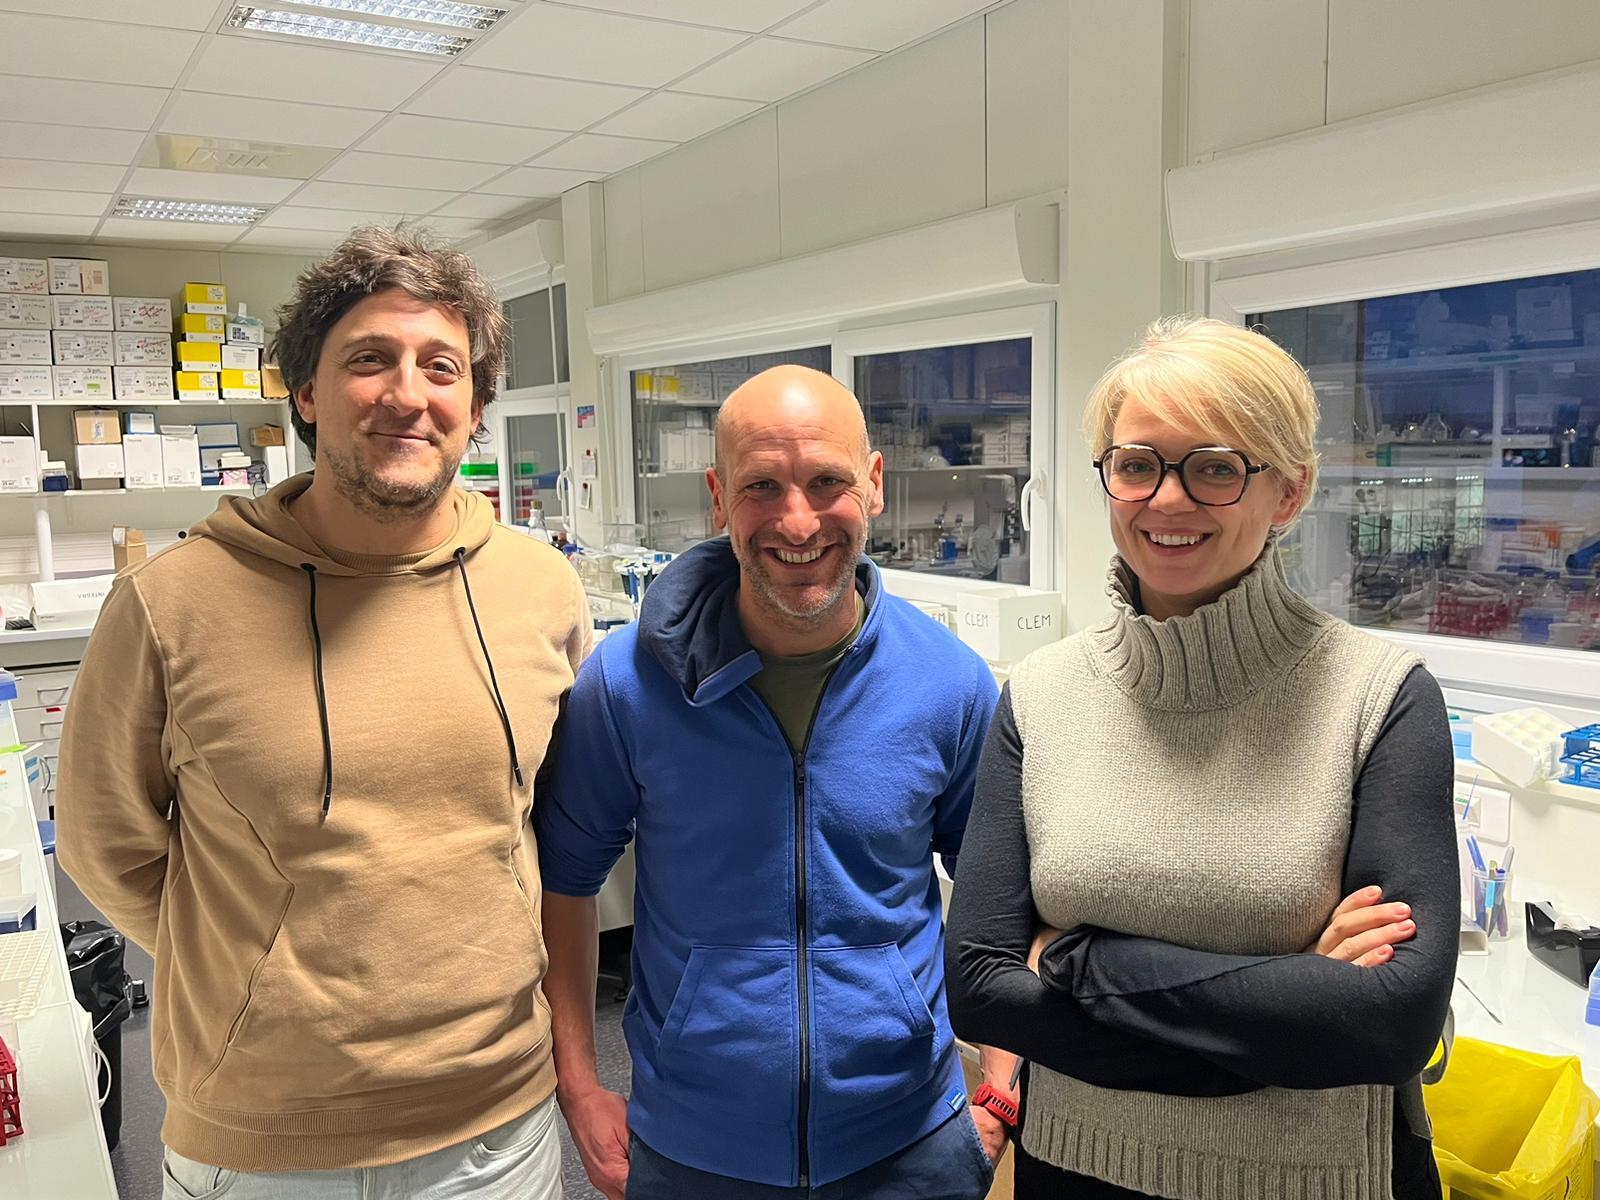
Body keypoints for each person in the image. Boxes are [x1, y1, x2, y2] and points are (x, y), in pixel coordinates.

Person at [57, 226, 587, 1200]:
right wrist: (258, 969)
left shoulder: (540, 587)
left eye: (441, 366)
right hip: (265, 1143)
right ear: (305, 390)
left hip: (497, 1127)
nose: (407, 393)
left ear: (475, 407)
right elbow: (105, 846)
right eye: (369, 359)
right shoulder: (170, 605)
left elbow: (550, 819)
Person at [946, 316, 1457, 1200]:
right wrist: (1292, 997)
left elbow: (1390, 1025)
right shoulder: (1042, 695)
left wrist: (1076, 963)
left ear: (1289, 491)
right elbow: (981, 987)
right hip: (1076, 1172)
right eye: (1137, 465)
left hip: (1312, 1184)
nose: (1167, 500)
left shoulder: (1380, 698)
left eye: (1216, 468)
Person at [537, 365, 1008, 1199]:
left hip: (910, 1145)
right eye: (762, 485)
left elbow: (998, 892)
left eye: (828, 481)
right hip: (694, 1151)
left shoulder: (950, 683)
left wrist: (999, 1087)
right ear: (719, 497)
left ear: (874, 484)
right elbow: (564, 883)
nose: (797, 521)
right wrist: (577, 1084)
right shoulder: (626, 685)